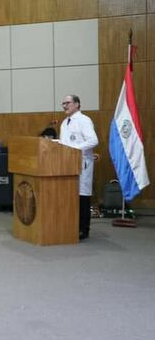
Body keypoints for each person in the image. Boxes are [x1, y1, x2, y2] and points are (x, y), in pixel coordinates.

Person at [59, 94, 98, 240]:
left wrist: (75, 149)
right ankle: (71, 225)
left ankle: (83, 229)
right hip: (66, 164)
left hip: (82, 163)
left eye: (67, 102)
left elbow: (93, 140)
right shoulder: (64, 122)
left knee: (82, 197)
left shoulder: (84, 120)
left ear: (77, 104)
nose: (64, 105)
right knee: (70, 196)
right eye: (63, 103)